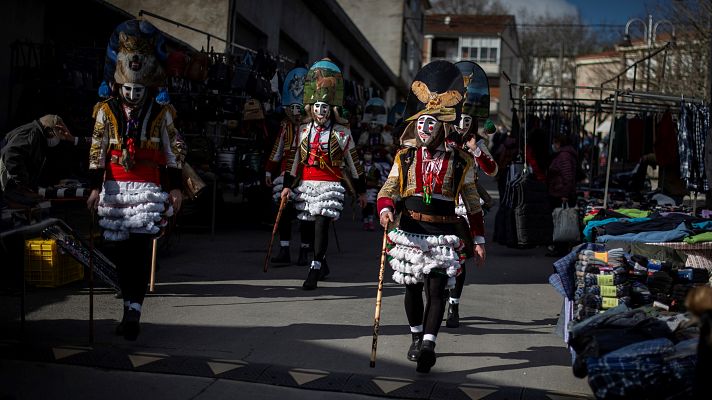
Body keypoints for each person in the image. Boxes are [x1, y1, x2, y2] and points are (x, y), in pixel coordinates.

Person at [378, 60, 483, 373]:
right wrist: (385, 208)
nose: (425, 129)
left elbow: (473, 203)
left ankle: (428, 344)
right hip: (410, 231)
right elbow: (389, 189)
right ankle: (414, 336)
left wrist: (477, 238)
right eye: (421, 123)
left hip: (443, 235)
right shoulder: (405, 156)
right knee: (411, 288)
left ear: (443, 126)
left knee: (436, 290)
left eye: (431, 124)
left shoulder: (461, 161)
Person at [86, 20, 185, 341]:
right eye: (128, 89)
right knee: (119, 249)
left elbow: (173, 151)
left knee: (140, 250)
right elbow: (96, 149)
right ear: (118, 84)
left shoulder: (161, 113)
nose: (133, 95)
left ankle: (133, 310)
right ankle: (128, 297)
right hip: (114, 188)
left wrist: (174, 187)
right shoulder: (105, 110)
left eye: (139, 90)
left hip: (146, 188)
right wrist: (94, 185)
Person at [280, 59, 366, 290]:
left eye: (325, 107)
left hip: (329, 184)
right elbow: (294, 159)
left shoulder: (342, 132)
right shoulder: (303, 130)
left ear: (332, 109)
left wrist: (361, 190)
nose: (320, 111)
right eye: (317, 106)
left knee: (321, 224)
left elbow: (354, 162)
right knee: (307, 226)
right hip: (307, 184)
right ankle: (323, 262)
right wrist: (288, 185)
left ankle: (315, 268)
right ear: (311, 107)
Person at [265, 67, 314, 265]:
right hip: (285, 172)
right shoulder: (285, 126)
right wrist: (269, 169)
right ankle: (284, 248)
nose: (295, 113)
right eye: (292, 108)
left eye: (298, 108)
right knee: (283, 210)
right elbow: (277, 148)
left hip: (307, 174)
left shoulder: (312, 126)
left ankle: (304, 250)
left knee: (306, 213)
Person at [0, 115, 83, 207]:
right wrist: (22, 185)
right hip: (7, 184)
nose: (57, 138)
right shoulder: (31, 132)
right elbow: (11, 154)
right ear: (48, 130)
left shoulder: (37, 136)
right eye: (56, 134)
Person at [546, 133, 577, 257]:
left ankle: (561, 248)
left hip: (560, 193)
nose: (553, 145)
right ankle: (560, 247)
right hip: (559, 192)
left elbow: (568, 176)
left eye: (555, 142)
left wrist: (565, 194)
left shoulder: (564, 156)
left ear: (559, 143)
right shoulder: (564, 155)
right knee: (560, 221)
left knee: (561, 221)